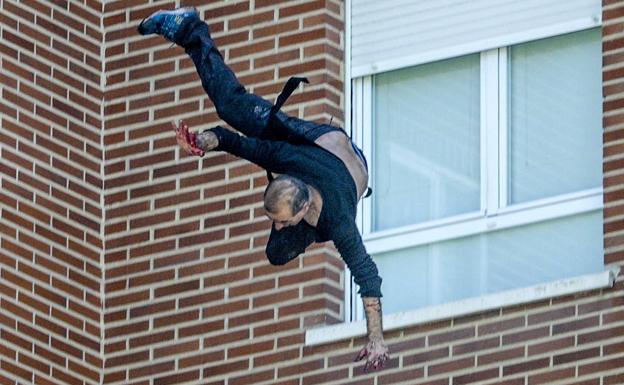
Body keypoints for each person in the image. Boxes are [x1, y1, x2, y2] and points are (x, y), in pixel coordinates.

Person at [137, 7, 389, 371]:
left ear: (302, 212)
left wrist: (376, 338)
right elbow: (230, 139)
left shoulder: (339, 222)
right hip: (313, 151)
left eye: (283, 220)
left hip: (343, 165)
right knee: (233, 109)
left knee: (276, 251)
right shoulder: (281, 155)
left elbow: (367, 275)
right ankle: (189, 28)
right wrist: (200, 141)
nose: (280, 225)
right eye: (277, 220)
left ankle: (189, 28)